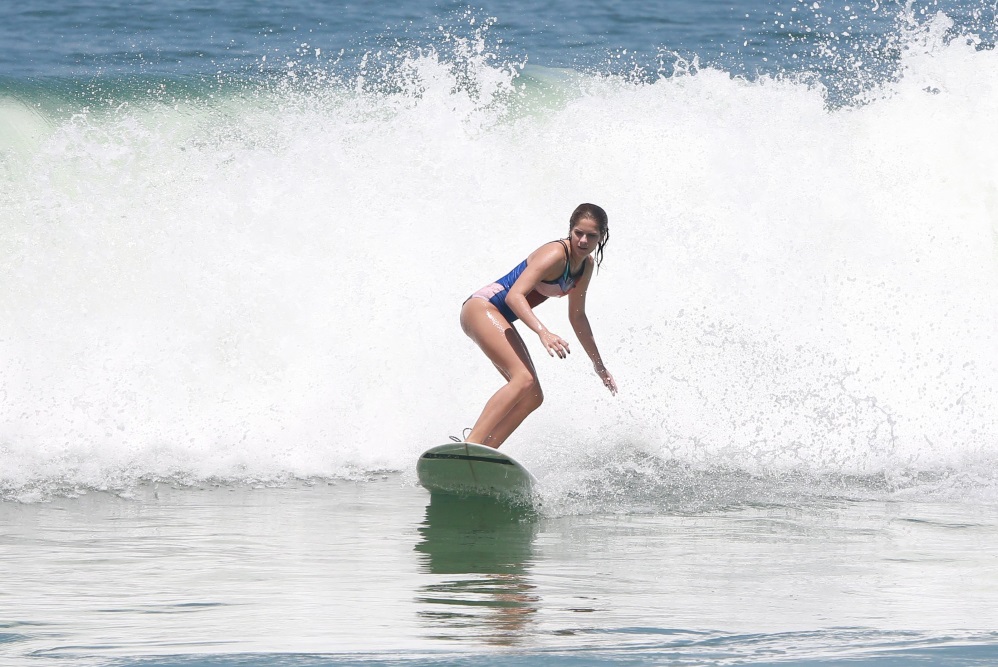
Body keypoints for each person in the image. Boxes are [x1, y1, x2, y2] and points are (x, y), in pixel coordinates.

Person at [460, 203, 617, 448]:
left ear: (602, 236)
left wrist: (599, 366)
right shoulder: (555, 254)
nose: (583, 241)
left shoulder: (585, 267)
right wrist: (543, 332)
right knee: (523, 379)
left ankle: (484, 453)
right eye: (578, 233)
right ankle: (471, 443)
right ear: (570, 230)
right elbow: (514, 296)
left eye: (592, 236)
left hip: (497, 316)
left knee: (533, 396)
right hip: (481, 308)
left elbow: (577, 317)